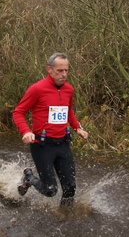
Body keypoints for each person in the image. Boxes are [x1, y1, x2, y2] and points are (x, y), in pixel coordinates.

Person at [12, 52, 89, 205]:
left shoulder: (69, 89)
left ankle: (65, 218)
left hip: (63, 144)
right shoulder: (37, 89)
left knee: (70, 188)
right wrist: (26, 131)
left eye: (66, 70)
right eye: (60, 71)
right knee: (50, 190)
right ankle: (29, 177)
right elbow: (18, 112)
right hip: (42, 145)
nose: (64, 74)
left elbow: (68, 111)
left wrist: (77, 128)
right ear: (49, 69)